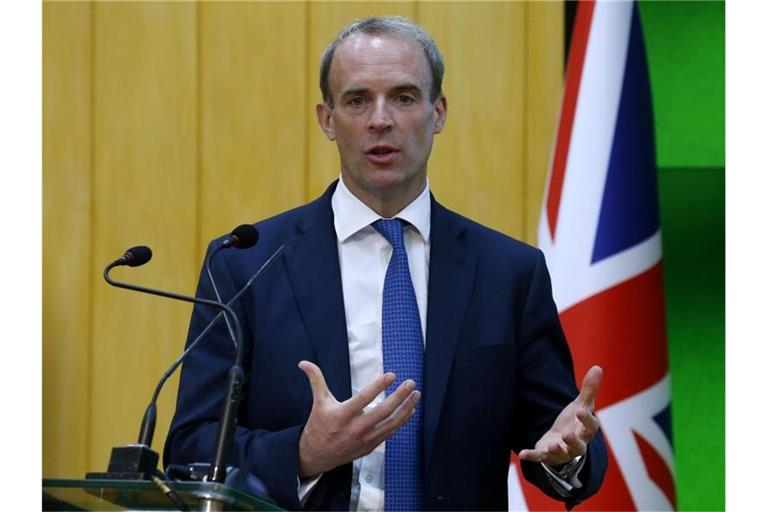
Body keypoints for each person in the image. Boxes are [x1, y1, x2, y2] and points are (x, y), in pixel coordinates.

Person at [165, 16, 607, 511]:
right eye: (357, 100)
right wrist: (303, 453)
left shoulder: (508, 273)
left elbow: (554, 437)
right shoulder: (247, 263)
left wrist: (567, 457)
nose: (380, 120)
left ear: (437, 112)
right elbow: (190, 448)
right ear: (327, 119)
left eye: (403, 97)